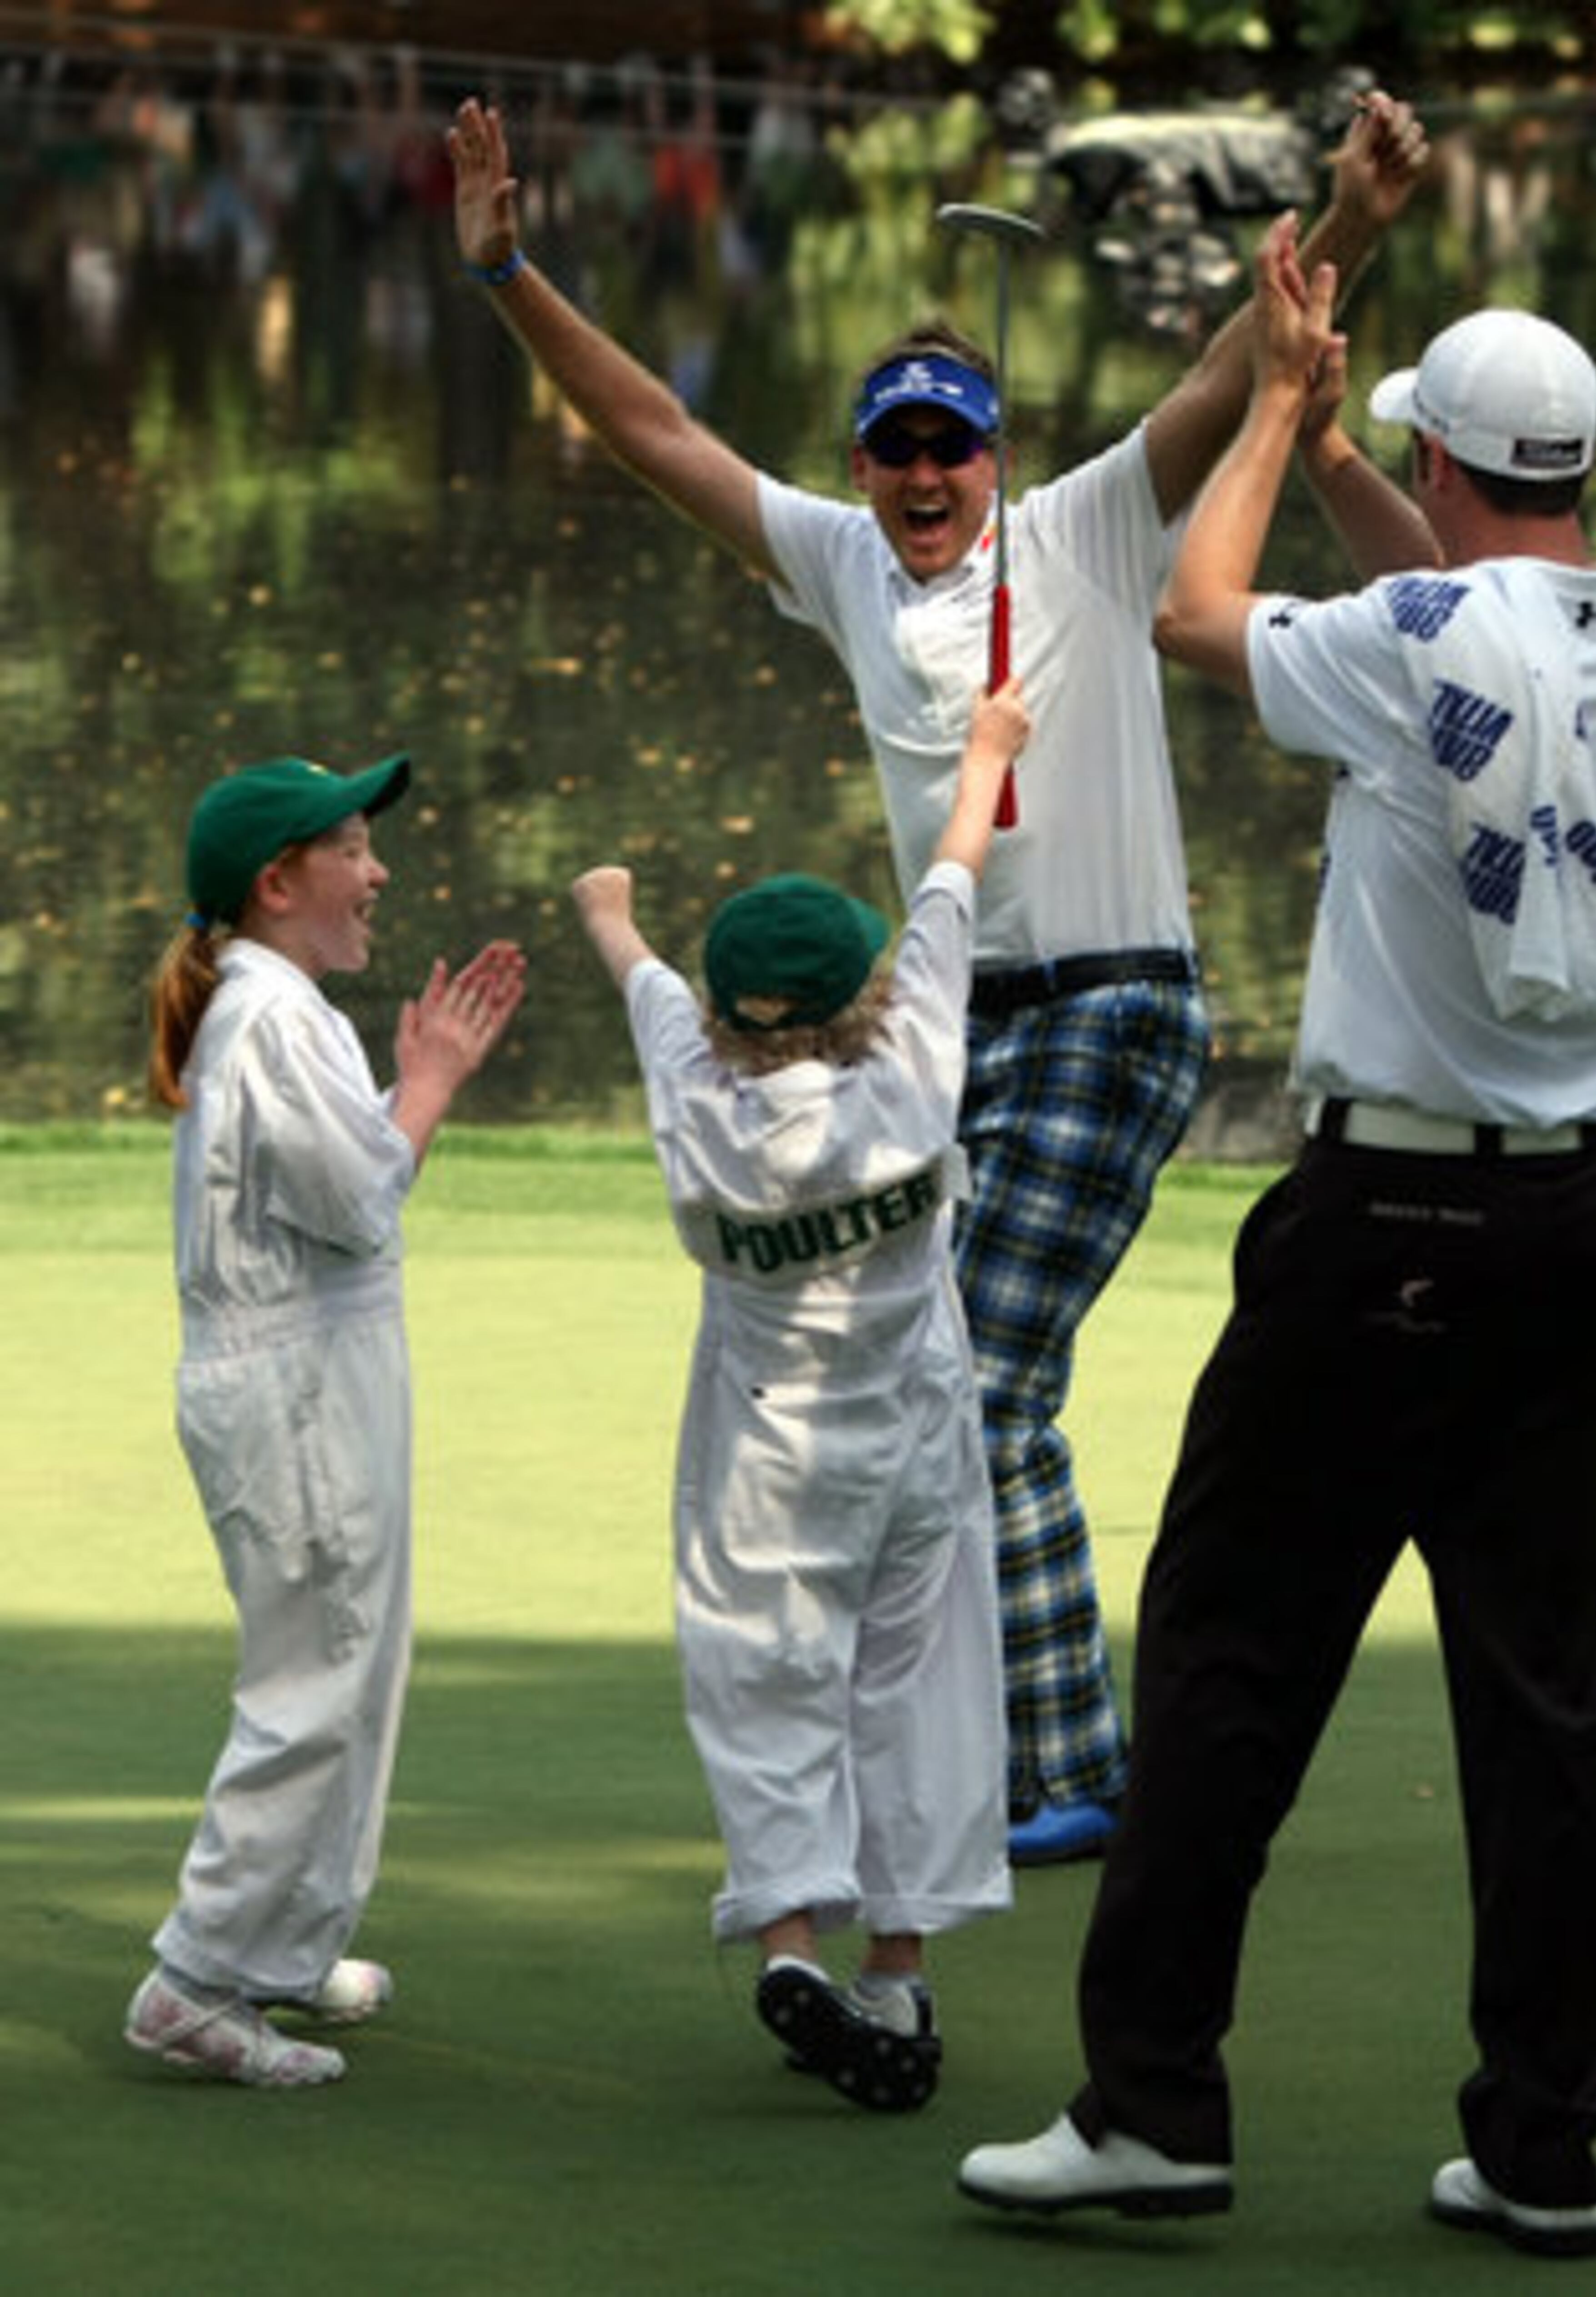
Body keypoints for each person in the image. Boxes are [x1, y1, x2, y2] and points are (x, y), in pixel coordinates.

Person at [448, 90, 1430, 1867]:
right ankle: (1007, 1744)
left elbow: (1231, 369)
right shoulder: (831, 564)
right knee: (938, 1376)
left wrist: (1347, 218)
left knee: (983, 1377)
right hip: (959, 1026)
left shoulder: (1088, 527)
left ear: (990, 454)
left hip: (1118, 1011)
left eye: (946, 452)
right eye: (892, 451)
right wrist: (510, 267)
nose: (918, 480)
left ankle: (1066, 1769)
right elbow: (652, 427)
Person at [956, 221, 1596, 2255]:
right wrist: (1342, 463)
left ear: (1453, 470)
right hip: (1571, 1223)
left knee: (1224, 1660)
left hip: (1380, 1220)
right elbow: (1471, 604)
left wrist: (1282, 405)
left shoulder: (1408, 661)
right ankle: (1545, 2150)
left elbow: (1197, 617)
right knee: (1540, 1710)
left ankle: (1151, 2111)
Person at [572, 681, 1031, 2110]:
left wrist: (610, 905)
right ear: (864, 996)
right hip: (908, 1438)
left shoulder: (694, 1102)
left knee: (767, 1687)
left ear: (726, 1017)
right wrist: (988, 758)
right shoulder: (913, 1074)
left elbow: (640, 979)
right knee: (913, 1689)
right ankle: (894, 1974)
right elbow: (953, 889)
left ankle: (788, 1936)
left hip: (763, 1452)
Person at [126, 752, 526, 2087]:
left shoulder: (278, 1007)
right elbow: (361, 1201)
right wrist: (434, 1079)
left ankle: (281, 1949)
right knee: (315, 1685)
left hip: (317, 1380)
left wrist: (410, 1084)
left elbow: (343, 1191)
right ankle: (196, 1979)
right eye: (353, 848)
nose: (379, 872)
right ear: (277, 882)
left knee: (352, 1671)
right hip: (293, 1399)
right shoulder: (274, 1017)